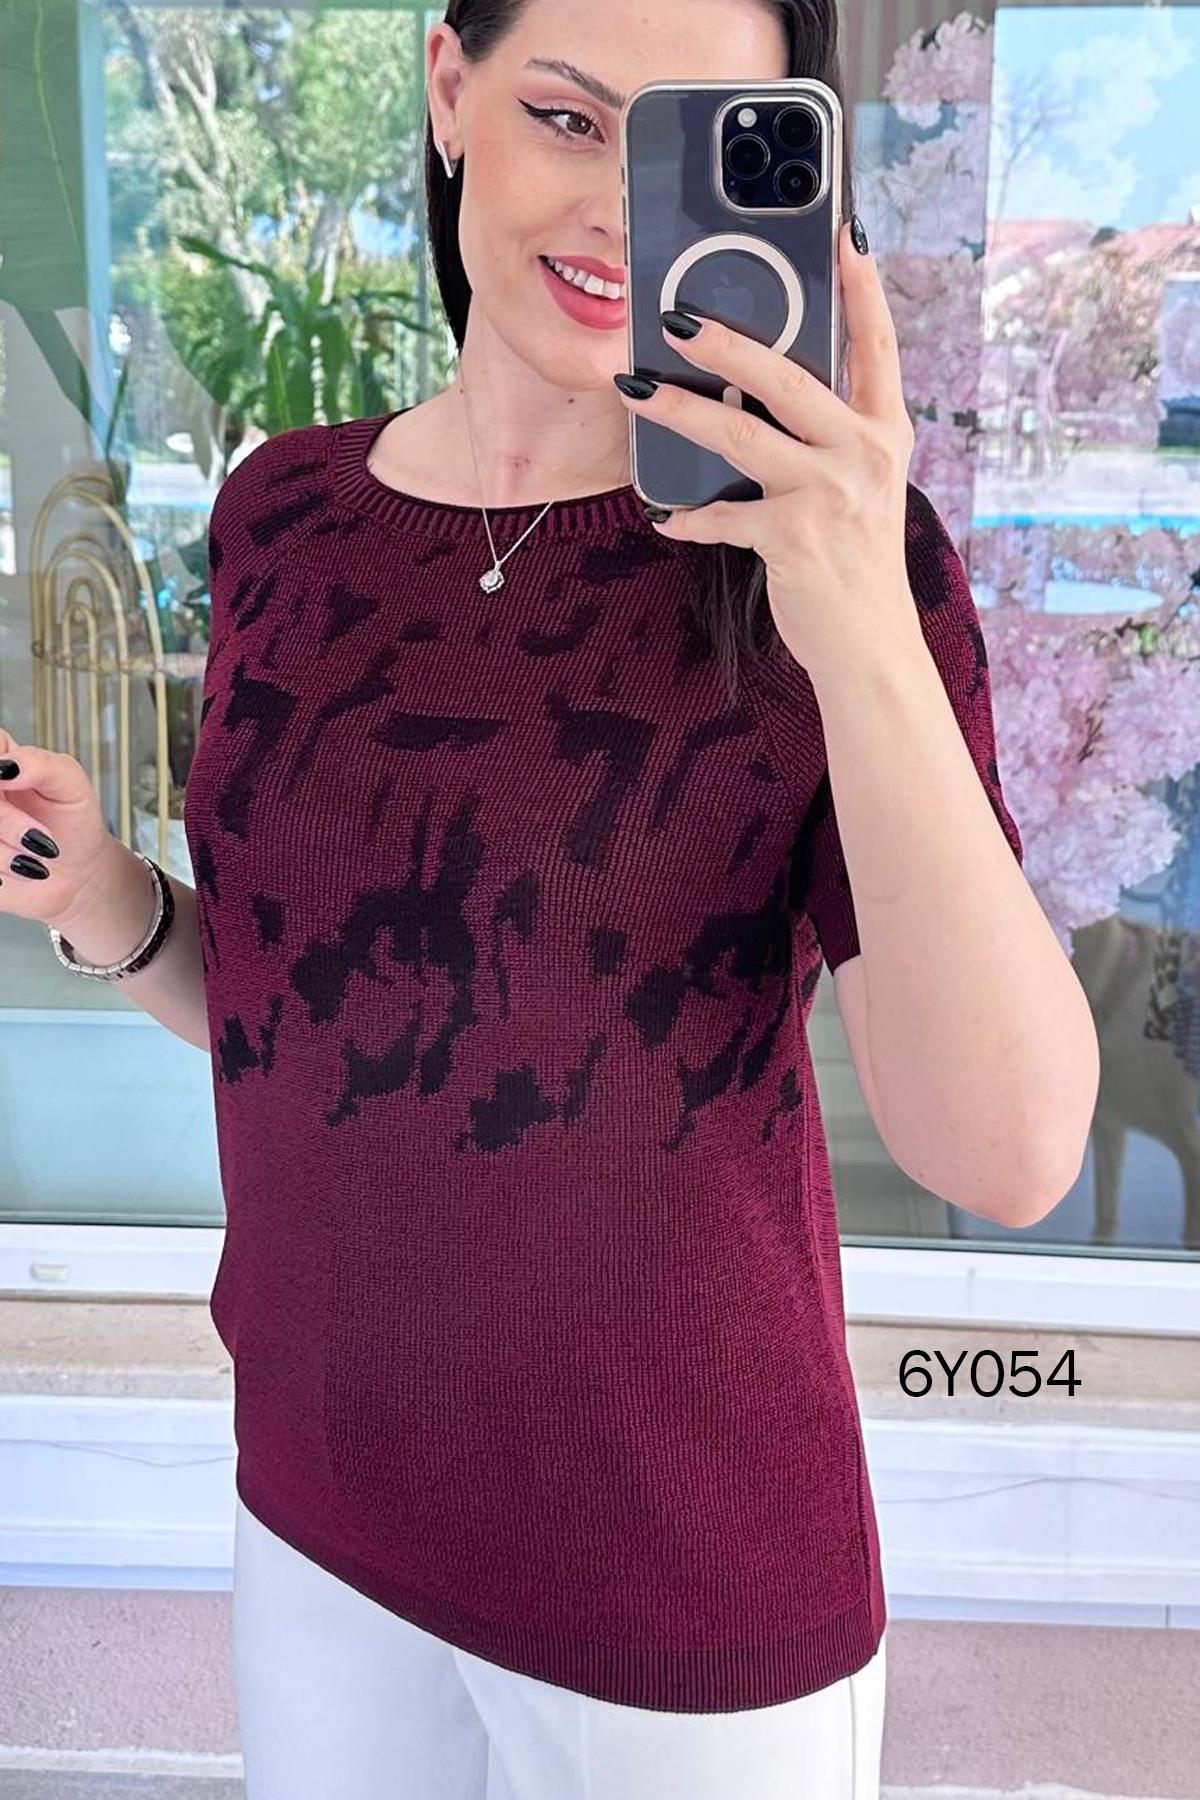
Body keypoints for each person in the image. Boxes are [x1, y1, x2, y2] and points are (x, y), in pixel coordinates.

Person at [0, 0, 1035, 1794]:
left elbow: (1002, 1153)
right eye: (569, 118)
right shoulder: (283, 512)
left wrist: (859, 607)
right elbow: (307, 1015)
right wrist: (100, 892)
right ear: (447, 86)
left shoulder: (832, 567)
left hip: (678, 1583)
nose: (622, 211)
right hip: (321, 1500)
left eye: (688, 148)